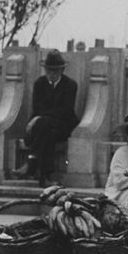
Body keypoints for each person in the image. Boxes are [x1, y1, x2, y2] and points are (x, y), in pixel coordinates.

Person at [12, 49, 79, 186]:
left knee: (45, 126)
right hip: (44, 127)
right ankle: (46, 175)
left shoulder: (70, 85)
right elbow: (38, 107)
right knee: (47, 132)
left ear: (62, 70)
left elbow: (65, 111)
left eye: (55, 71)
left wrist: (39, 118)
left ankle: (31, 164)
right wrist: (41, 118)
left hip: (63, 125)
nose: (51, 74)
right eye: (49, 71)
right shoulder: (39, 84)